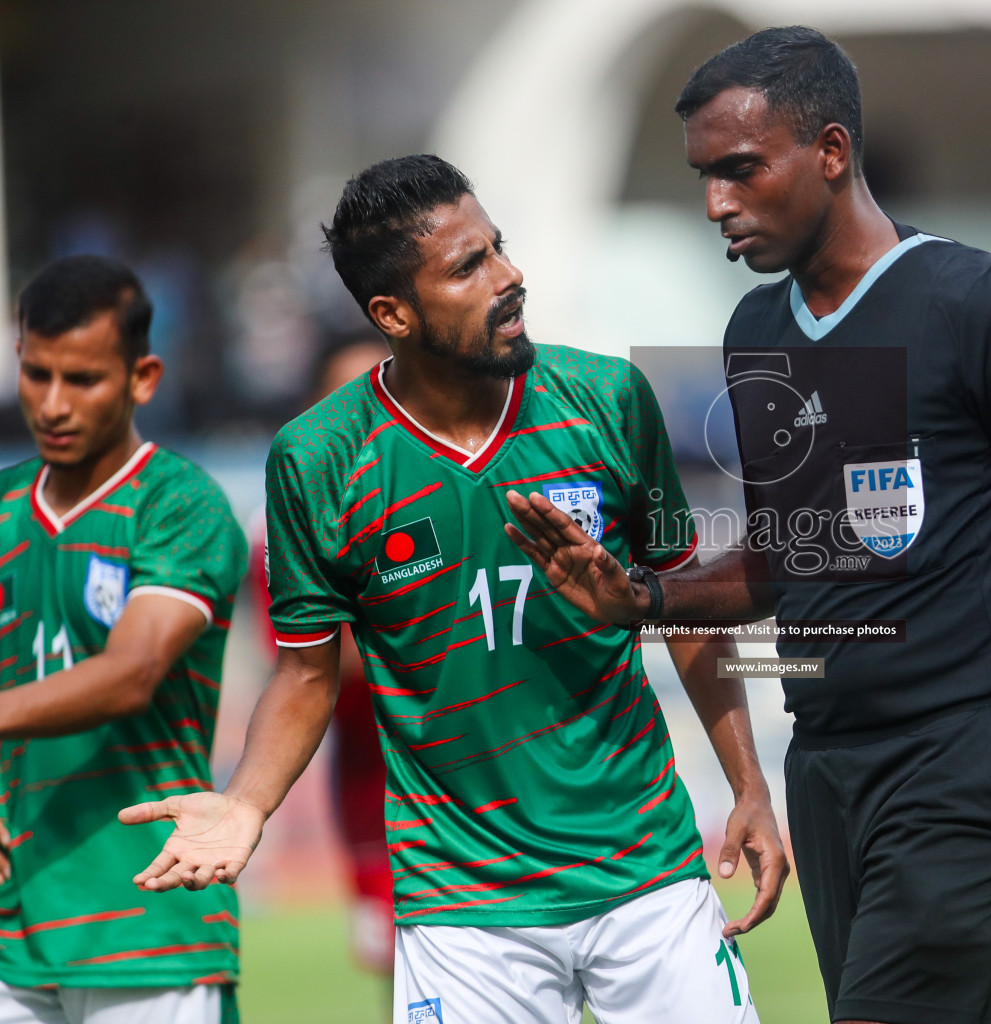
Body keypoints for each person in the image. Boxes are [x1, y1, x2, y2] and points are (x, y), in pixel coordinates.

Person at [503, 25, 991, 1024]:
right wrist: (643, 595)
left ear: (832, 152)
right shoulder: (759, 330)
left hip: (975, 751)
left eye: (742, 171)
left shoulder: (977, 307)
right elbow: (789, 561)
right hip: (830, 764)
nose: (717, 204)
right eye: (705, 176)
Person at [122, 155, 787, 1024]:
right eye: (469, 266)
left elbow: (685, 604)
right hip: (461, 911)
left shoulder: (609, 398)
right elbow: (305, 671)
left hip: (647, 869)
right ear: (392, 313)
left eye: (499, 249)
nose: (510, 278)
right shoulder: (319, 458)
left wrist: (748, 785)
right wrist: (247, 803)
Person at [0, 255, 246, 1024]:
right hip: (13, 930)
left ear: (143, 378)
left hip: (150, 921)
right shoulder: (3, 510)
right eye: (36, 375)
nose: (52, 404)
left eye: (83, 379)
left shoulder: (181, 504)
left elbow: (130, 671)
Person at [243, 337, 395, 975]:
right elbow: (314, 662)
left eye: (380, 392)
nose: (366, 416)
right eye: (343, 398)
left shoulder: (473, 482)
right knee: (408, 979)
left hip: (511, 782)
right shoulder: (278, 525)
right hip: (383, 798)